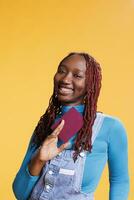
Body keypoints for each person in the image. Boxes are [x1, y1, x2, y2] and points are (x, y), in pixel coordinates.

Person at [12, 52, 130, 200]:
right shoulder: (45, 126)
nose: (66, 79)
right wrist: (38, 160)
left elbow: (120, 181)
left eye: (77, 75)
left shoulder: (110, 127)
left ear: (90, 84)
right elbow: (20, 194)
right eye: (61, 71)